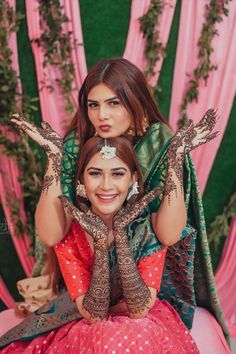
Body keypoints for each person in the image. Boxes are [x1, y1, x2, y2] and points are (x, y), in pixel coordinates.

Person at [1, 58, 229, 341]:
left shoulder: (158, 143)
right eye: (93, 105)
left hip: (148, 276)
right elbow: (51, 235)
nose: (101, 116)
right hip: (84, 275)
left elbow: (168, 234)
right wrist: (54, 160)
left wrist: (175, 159)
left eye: (114, 103)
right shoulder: (77, 142)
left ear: (136, 100)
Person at [0, 136, 200, 353]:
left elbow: (139, 311)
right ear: (81, 181)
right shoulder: (70, 235)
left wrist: (122, 237)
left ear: (133, 179)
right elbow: (95, 316)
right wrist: (101, 244)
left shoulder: (147, 229)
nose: (106, 186)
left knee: (137, 332)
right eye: (95, 173)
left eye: (117, 173)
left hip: (141, 318)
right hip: (86, 316)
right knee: (103, 339)